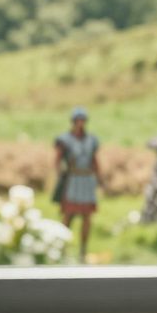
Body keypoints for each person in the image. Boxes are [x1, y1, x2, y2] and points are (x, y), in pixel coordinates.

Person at [53, 107, 101, 262]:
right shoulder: (65, 140)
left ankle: (83, 250)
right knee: (68, 215)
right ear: (74, 122)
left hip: (87, 180)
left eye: (83, 120)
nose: (80, 123)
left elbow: (94, 160)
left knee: (87, 216)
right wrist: (60, 173)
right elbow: (58, 160)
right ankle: (61, 248)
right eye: (78, 120)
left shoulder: (91, 140)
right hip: (72, 180)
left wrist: (99, 178)